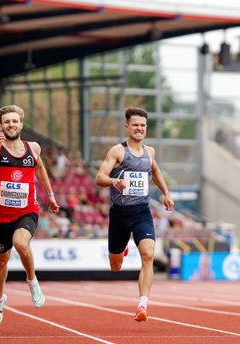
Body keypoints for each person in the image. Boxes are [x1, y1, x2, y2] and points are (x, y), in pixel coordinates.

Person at [0, 105, 59, 327]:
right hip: (2, 217)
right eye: (7, 122)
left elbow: (40, 169)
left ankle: (32, 281)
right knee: (1, 261)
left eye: (15, 121)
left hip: (27, 210)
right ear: (1, 125)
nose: (11, 125)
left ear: (21, 124)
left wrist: (50, 195)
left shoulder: (33, 148)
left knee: (21, 243)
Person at [95, 107, 174, 322]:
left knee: (148, 255)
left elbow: (155, 170)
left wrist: (166, 193)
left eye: (143, 125)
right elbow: (99, 177)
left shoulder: (150, 152)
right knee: (115, 266)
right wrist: (113, 181)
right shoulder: (117, 152)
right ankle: (124, 248)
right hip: (120, 214)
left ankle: (142, 305)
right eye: (136, 125)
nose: (139, 128)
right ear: (127, 126)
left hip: (141, 211)